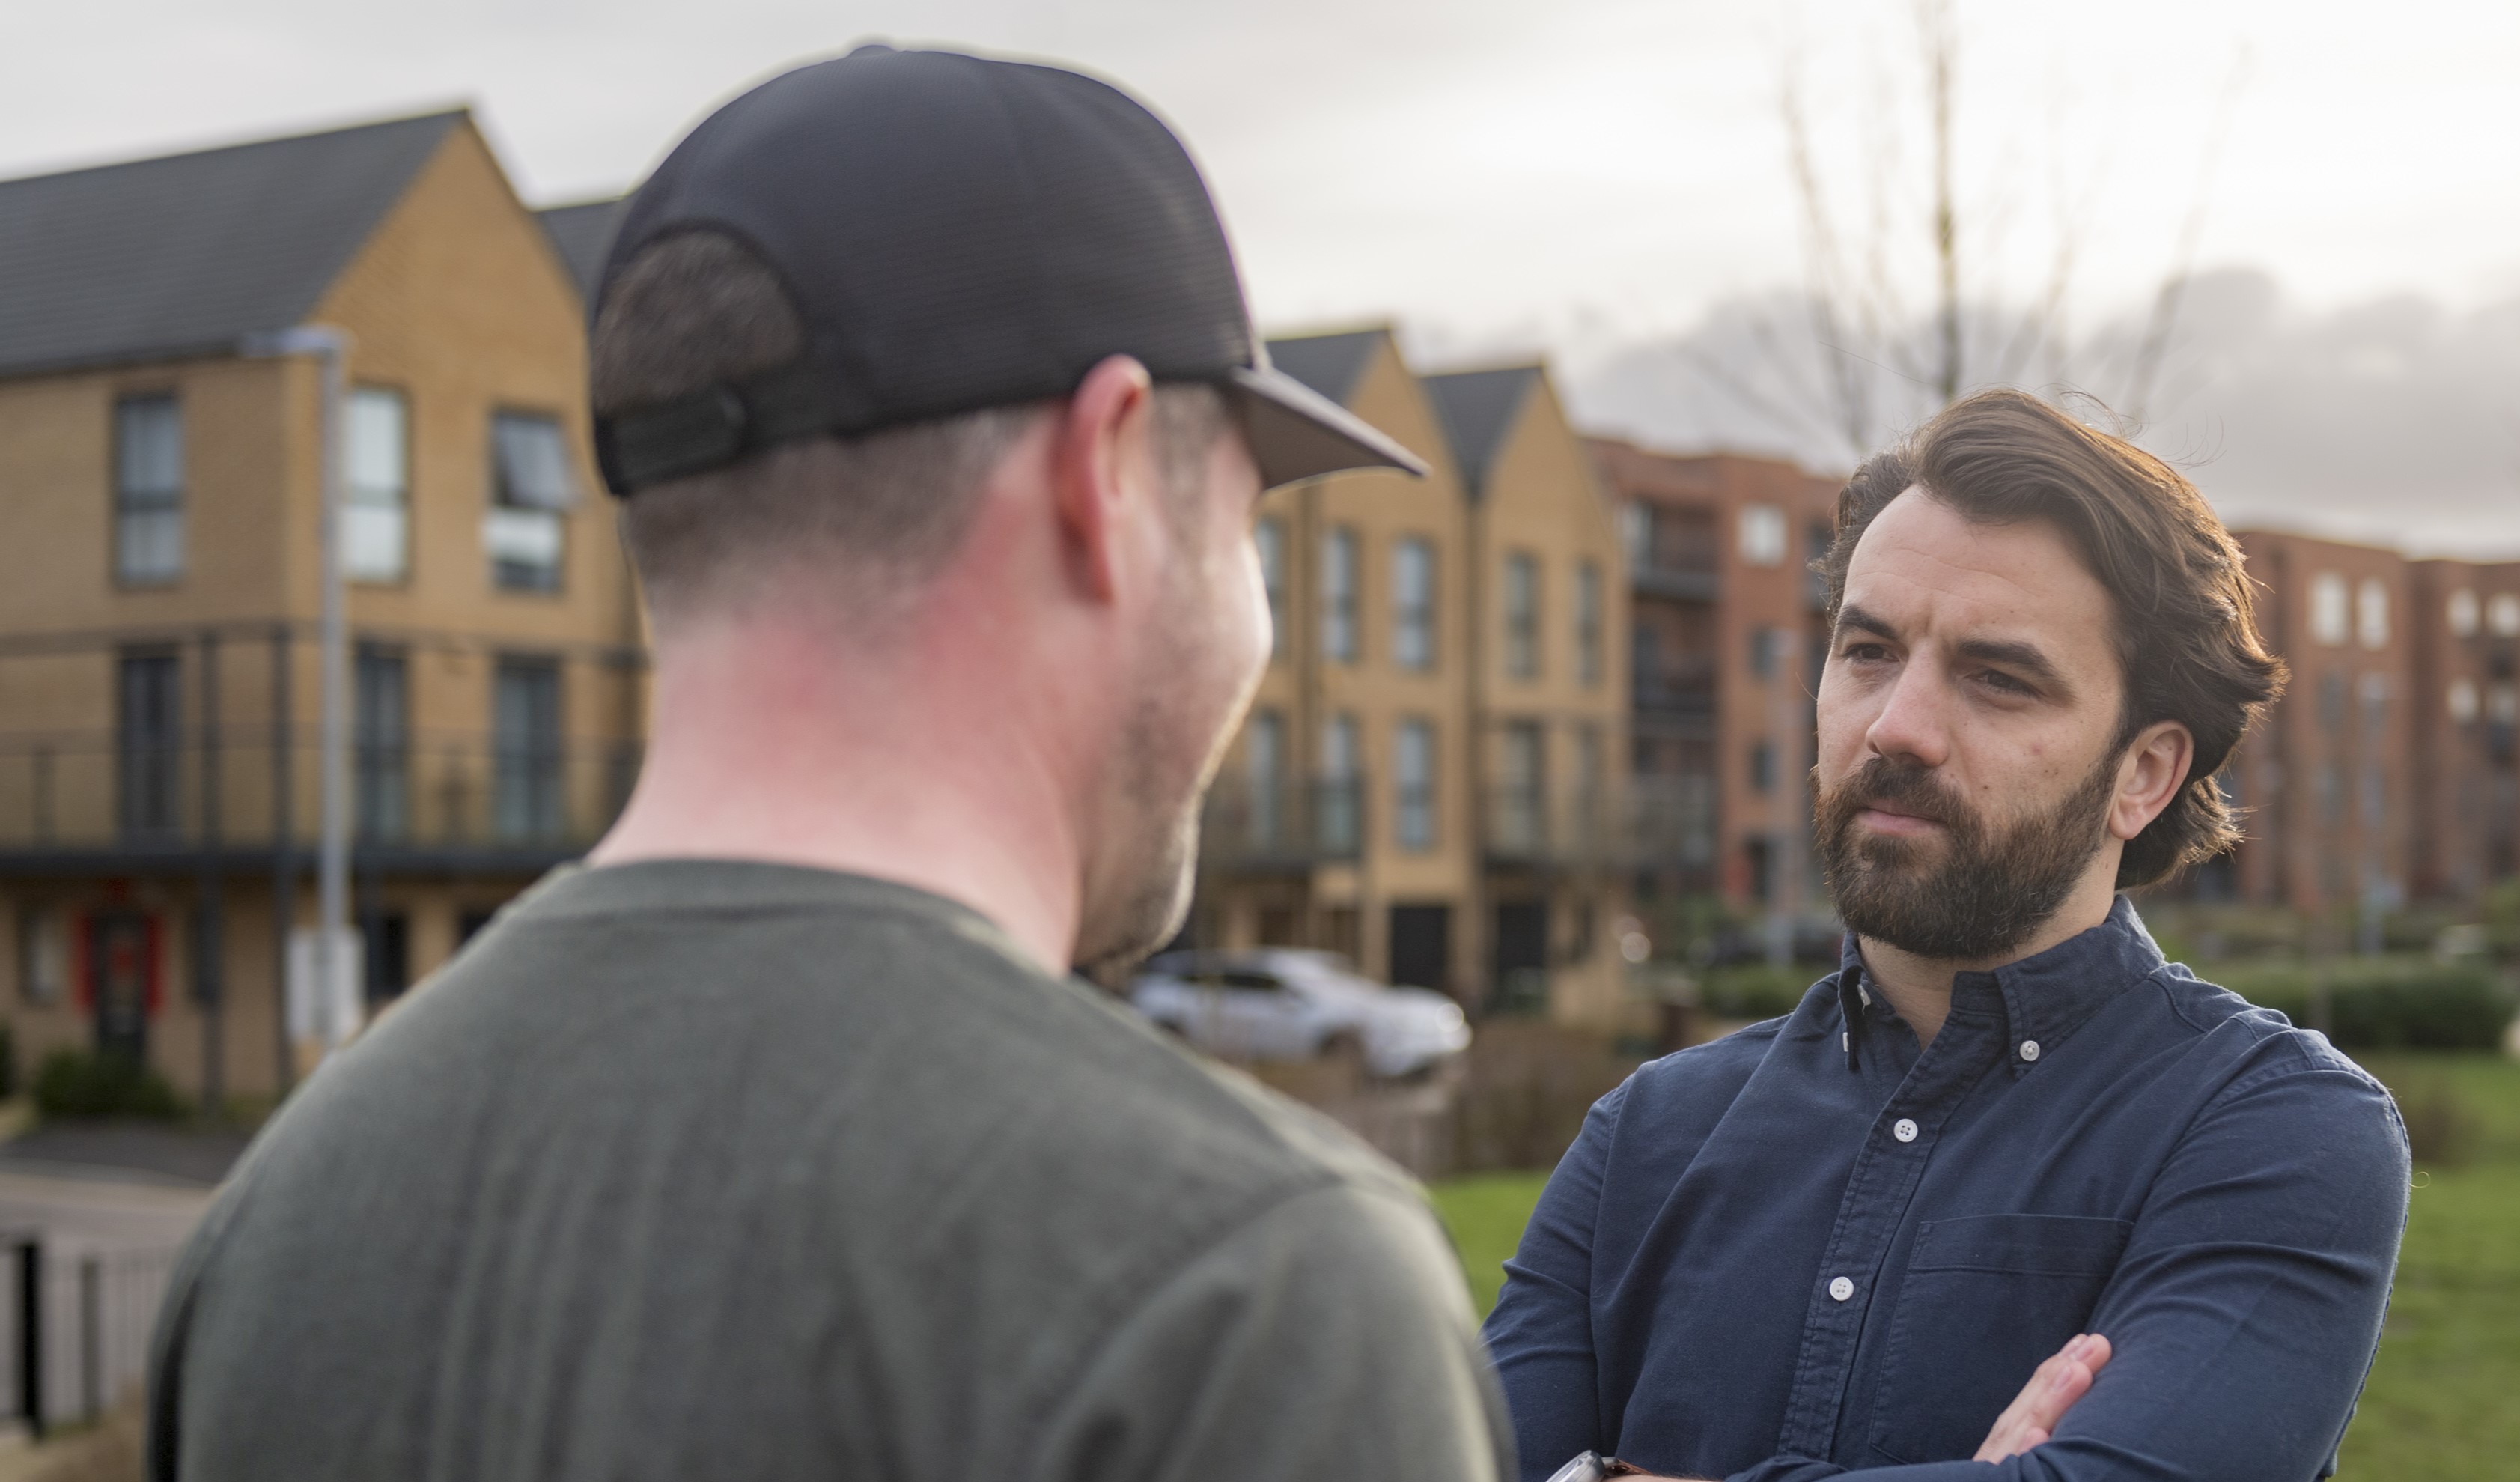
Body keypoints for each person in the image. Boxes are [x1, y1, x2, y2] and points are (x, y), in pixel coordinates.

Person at [146, 45, 1513, 1482]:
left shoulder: (274, 1230)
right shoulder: (1253, 1287)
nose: (1252, 606)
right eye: (1246, 526)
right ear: (1104, 474)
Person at [1486, 391, 2410, 1481]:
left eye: (1998, 678)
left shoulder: (2273, 1129)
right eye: (1868, 651)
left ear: (2145, 774)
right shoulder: (1647, 1138)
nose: (1897, 727)